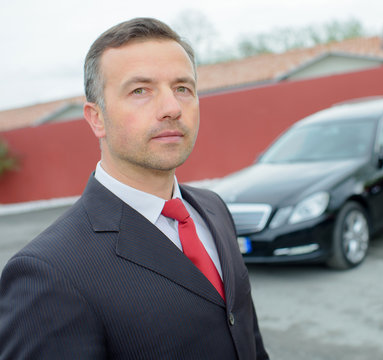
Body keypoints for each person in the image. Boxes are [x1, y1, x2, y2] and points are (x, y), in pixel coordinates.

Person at [0, 17, 269, 359]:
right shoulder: (47, 272)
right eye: (140, 90)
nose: (172, 108)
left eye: (182, 88)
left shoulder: (213, 208)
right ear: (96, 118)